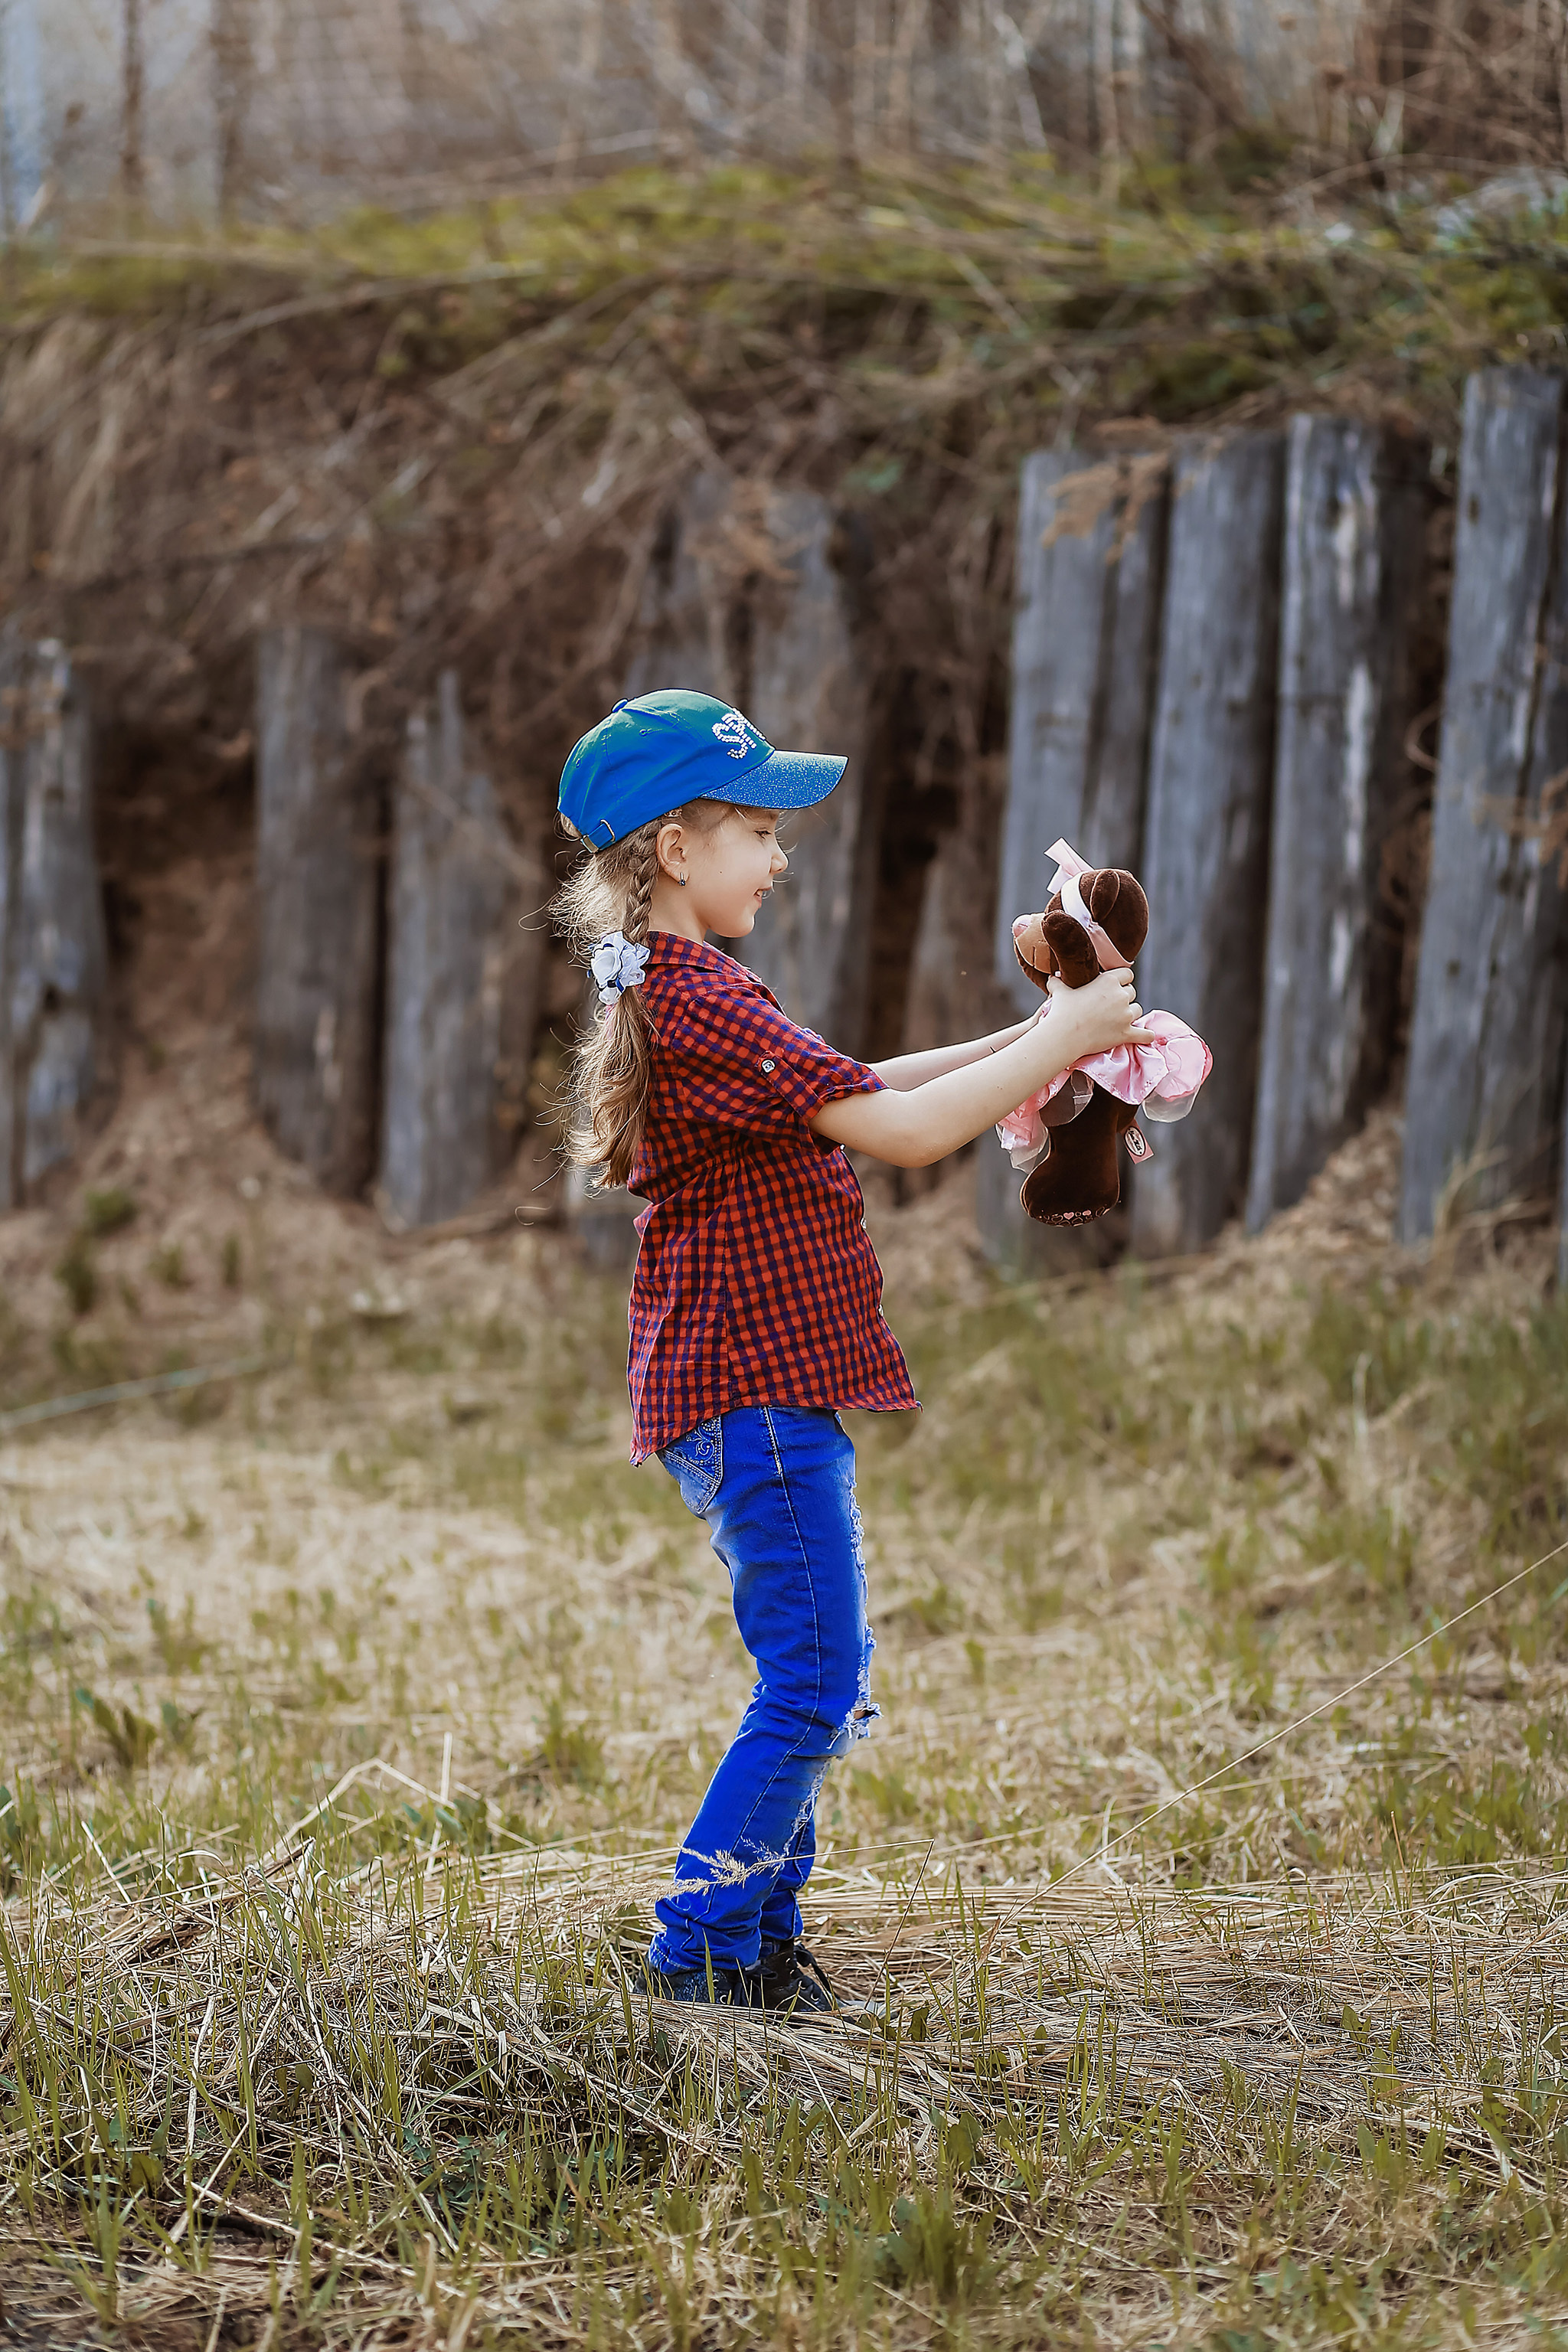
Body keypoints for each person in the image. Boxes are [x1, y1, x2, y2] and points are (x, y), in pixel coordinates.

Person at [553, 688, 1151, 2017]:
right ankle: (704, 1954)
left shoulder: (694, 987)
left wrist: (1034, 1044)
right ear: (674, 850)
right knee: (816, 1682)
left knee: (815, 1672)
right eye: (758, 830)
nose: (779, 857)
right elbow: (905, 1134)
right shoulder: (701, 998)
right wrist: (1062, 1035)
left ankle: (757, 1945)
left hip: (760, 1387)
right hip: (752, 1390)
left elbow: (864, 1084)